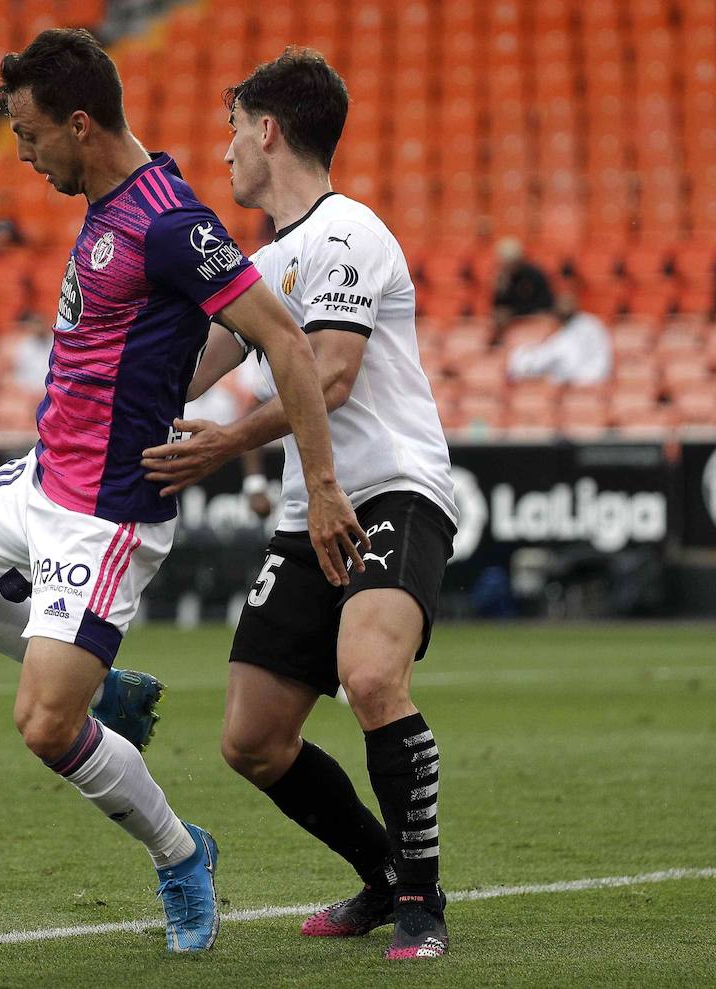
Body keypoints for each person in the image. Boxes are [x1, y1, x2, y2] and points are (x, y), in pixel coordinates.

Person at [0, 29, 363, 954]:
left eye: (30, 138)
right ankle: (108, 683)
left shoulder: (173, 227)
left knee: (43, 724)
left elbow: (291, 344)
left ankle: (182, 854)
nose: (24, 158)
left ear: (78, 123)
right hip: (41, 474)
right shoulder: (110, 204)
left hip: (103, 514)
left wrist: (323, 483)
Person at [140, 48, 460, 960]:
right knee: (253, 738)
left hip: (393, 487)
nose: (225, 149)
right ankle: (380, 871)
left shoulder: (349, 230)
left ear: (268, 128)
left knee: (369, 674)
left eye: (232, 128)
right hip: (304, 509)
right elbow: (191, 369)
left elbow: (333, 372)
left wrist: (226, 441)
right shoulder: (259, 262)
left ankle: (422, 901)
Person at [507, 291, 612, 385]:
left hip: (590, 378)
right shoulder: (565, 327)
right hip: (576, 378)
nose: (563, 308)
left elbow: (568, 358)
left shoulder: (587, 325)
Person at [492, 237, 555, 331]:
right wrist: (501, 289)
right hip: (512, 323)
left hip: (534, 321)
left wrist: (513, 312)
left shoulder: (534, 274)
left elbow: (544, 303)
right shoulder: (504, 277)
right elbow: (499, 305)